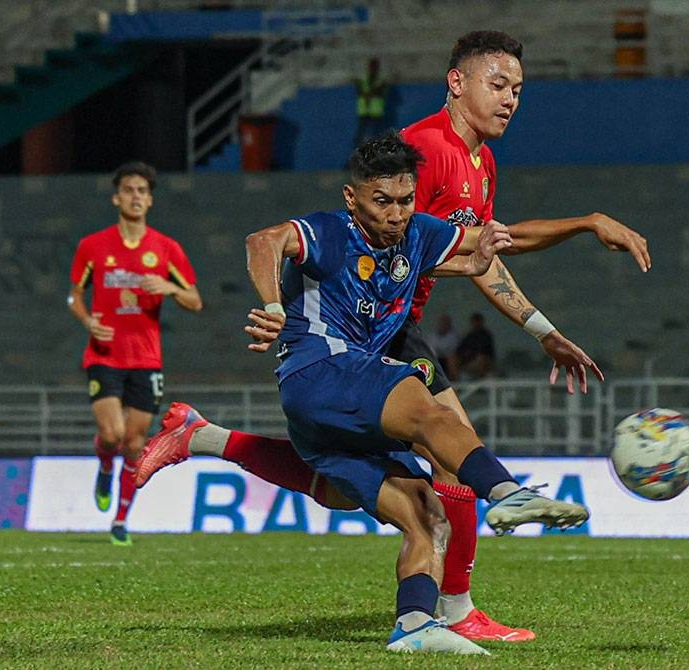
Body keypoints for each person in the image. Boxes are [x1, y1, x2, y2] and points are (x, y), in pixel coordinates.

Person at [139, 30, 650, 644]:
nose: (510, 98)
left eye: (518, 88)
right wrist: (275, 301)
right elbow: (326, 231)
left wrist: (545, 322)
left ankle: (209, 439)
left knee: (349, 490)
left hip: (385, 326)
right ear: (456, 83)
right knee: (443, 435)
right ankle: (468, 580)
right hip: (366, 333)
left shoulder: (481, 163)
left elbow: (482, 250)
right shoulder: (425, 150)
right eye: (498, 83)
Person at [187, 133, 591, 655]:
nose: (396, 213)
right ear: (353, 199)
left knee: (425, 513)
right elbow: (262, 241)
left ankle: (415, 625)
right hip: (322, 369)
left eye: (405, 200)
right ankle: (507, 492)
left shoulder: (417, 234)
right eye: (383, 201)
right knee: (428, 410)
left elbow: (495, 243)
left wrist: (582, 226)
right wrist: (273, 305)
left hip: (324, 417)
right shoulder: (330, 231)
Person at [67, 161, 203, 546]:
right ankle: (104, 466)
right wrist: (87, 320)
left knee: (134, 441)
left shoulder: (166, 249)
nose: (136, 196)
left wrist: (168, 287)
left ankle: (120, 520)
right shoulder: (93, 246)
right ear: (116, 197)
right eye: (129, 190)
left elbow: (195, 300)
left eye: (143, 191)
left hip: (146, 359)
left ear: (151, 200)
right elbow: (74, 295)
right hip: (104, 353)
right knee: (111, 435)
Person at [354, 57, 389, 147]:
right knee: (360, 136)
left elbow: (381, 91)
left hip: (376, 111)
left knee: (377, 136)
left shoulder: (380, 80)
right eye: (372, 66)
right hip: (364, 111)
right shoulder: (364, 80)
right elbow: (359, 91)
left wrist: (369, 93)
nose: (373, 69)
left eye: (375, 66)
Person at [456, 312, 496, 379]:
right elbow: (460, 349)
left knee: (481, 359)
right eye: (474, 322)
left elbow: (486, 352)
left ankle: (481, 379)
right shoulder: (469, 336)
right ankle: (454, 382)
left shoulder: (486, 335)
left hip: (484, 362)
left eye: (477, 321)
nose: (476, 324)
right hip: (469, 361)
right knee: (453, 358)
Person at [426, 313, 461, 380]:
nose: (443, 324)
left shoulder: (454, 336)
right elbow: (431, 348)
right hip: (437, 358)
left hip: (448, 358)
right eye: (442, 322)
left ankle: (454, 380)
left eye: (445, 322)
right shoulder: (433, 336)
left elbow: (452, 349)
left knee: (451, 358)